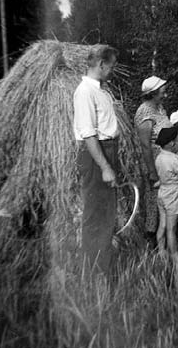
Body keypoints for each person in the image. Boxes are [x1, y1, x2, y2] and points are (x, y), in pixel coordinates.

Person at [73, 44, 120, 276]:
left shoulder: (100, 91)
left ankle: (103, 267)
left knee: (106, 214)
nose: (111, 71)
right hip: (96, 156)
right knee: (95, 216)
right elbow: (88, 134)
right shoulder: (85, 92)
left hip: (107, 151)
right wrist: (105, 166)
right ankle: (93, 273)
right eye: (111, 67)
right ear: (101, 65)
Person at [134, 76, 178, 236]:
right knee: (154, 199)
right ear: (153, 93)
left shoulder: (160, 108)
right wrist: (151, 171)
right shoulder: (144, 111)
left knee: (167, 196)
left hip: (166, 161)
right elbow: (145, 144)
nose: (165, 95)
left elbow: (164, 132)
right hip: (155, 162)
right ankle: (152, 235)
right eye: (162, 92)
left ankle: (167, 232)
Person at [154, 127, 178, 260]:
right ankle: (174, 254)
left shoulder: (160, 157)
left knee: (162, 225)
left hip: (163, 192)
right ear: (172, 143)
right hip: (173, 194)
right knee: (172, 228)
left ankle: (161, 250)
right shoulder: (173, 160)